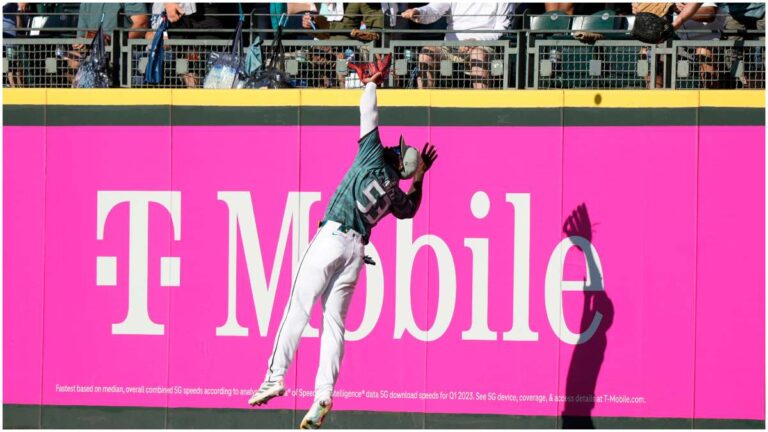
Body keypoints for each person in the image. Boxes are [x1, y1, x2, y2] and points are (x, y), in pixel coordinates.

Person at [247, 55, 438, 430]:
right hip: (356, 252)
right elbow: (411, 210)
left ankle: (274, 376)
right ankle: (322, 395)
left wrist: (373, 83)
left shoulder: (372, 156)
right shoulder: (395, 192)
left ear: (396, 160)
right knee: (334, 324)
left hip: (333, 237)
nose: (393, 148)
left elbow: (368, 110)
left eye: (398, 152)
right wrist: (419, 179)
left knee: (298, 305)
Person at [401, 2, 513, 88]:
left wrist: (476, 40)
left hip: (484, 45)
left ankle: (481, 109)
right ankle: (424, 105)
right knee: (426, 54)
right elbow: (434, 8)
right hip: (450, 47)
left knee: (478, 55)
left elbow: (502, 27)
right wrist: (418, 11)